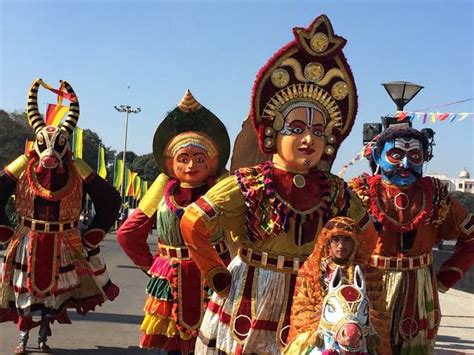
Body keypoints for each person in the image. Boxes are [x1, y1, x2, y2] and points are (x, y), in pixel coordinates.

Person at [180, 15, 378, 354]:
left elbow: (369, 236)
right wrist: (214, 271)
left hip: (312, 293)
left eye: (318, 132)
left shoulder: (337, 190)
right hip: (253, 289)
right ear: (273, 133)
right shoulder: (248, 182)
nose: (308, 140)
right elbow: (192, 221)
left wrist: (349, 277)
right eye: (297, 128)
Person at [0, 79, 121, 354]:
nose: (50, 151)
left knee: (54, 294)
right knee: (25, 290)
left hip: (64, 241)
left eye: (58, 145)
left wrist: (94, 233)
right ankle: (23, 340)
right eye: (45, 145)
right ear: (36, 145)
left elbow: (110, 199)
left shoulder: (77, 172)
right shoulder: (25, 168)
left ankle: (42, 337)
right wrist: (4, 228)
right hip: (28, 240)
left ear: (66, 147)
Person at [116, 90, 231, 353]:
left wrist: (155, 265)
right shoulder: (163, 187)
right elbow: (127, 234)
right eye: (183, 159)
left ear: (213, 162)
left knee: (205, 340)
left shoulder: (224, 188)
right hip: (190, 274)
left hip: (209, 275)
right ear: (170, 163)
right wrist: (154, 266)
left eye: (199, 159)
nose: (191, 165)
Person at [349, 124, 474, 354]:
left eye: (415, 156)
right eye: (396, 155)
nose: (406, 165)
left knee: (416, 346)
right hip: (371, 285)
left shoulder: (436, 195)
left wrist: (446, 278)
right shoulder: (360, 193)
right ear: (378, 155)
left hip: (420, 289)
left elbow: (471, 237)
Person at [286, 216, 391, 354]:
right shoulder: (312, 270)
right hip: (321, 328)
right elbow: (301, 307)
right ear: (327, 243)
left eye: (347, 240)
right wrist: (324, 317)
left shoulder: (368, 273)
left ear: (356, 243)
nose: (341, 246)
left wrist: (357, 319)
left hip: (359, 330)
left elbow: (379, 310)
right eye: (336, 240)